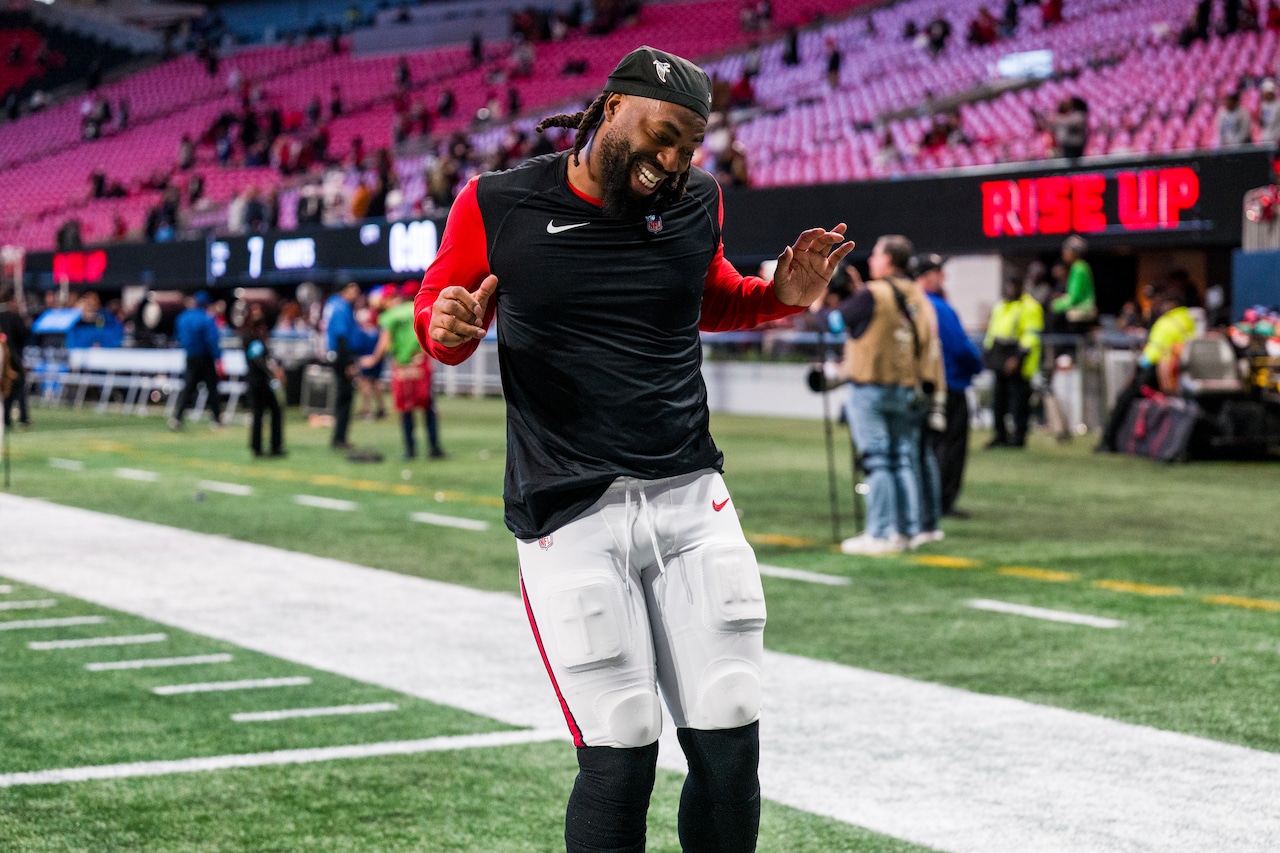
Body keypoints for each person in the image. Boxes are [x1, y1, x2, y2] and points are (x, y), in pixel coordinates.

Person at [412, 46, 853, 853]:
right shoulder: (498, 201)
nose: (676, 160)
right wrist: (442, 328)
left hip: (689, 496)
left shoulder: (697, 200)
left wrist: (779, 297)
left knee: (729, 736)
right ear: (613, 106)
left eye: (691, 144)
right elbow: (440, 309)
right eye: (664, 135)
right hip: (568, 507)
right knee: (621, 748)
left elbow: (706, 295)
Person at [832, 235, 942, 555]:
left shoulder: (874, 293)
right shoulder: (916, 293)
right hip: (906, 387)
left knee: (878, 461)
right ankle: (906, 531)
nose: (871, 260)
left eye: (877, 255)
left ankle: (878, 533)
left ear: (889, 259)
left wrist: (845, 294)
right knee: (901, 460)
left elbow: (839, 321)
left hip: (871, 387)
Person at [913, 254, 983, 519]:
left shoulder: (909, 304)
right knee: (949, 446)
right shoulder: (938, 307)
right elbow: (961, 348)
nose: (943, 279)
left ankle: (922, 499)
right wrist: (977, 365)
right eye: (939, 273)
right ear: (929, 275)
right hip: (949, 384)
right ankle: (941, 501)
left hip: (917, 385)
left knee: (925, 445)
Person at [1096, 290, 1195, 453]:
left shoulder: (1166, 323)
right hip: (1182, 374)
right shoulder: (1190, 322)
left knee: (1124, 399)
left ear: (1173, 305)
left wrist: (1136, 374)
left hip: (1159, 374)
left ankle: (1108, 441)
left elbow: (1151, 356)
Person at [362, 283, 444, 460]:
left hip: (402, 367)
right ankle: (434, 448)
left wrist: (373, 359)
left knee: (406, 409)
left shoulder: (389, 316)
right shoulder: (418, 310)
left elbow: (385, 342)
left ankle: (410, 450)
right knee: (428, 406)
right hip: (421, 363)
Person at [983, 276, 1043, 448]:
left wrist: (1018, 357)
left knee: (1018, 402)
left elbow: (1031, 335)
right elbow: (993, 331)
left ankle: (1018, 439)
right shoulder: (1002, 305)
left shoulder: (1030, 306)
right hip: (1000, 355)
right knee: (998, 401)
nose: (1011, 288)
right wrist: (988, 353)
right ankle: (1000, 436)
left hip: (1019, 359)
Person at [170, 291, 224, 430]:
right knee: (212, 388)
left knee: (188, 388)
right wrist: (218, 357)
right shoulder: (207, 318)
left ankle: (177, 418)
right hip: (205, 357)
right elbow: (211, 340)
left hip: (190, 356)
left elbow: (178, 337)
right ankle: (217, 420)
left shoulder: (182, 317)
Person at [241, 303, 285, 457]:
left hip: (264, 380)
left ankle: (275, 446)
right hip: (257, 381)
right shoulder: (249, 335)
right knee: (259, 414)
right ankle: (258, 448)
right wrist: (273, 372)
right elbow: (259, 360)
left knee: (274, 411)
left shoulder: (261, 334)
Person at [323, 281, 360, 449]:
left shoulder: (332, 304)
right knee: (345, 397)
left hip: (336, 355)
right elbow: (341, 336)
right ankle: (339, 438)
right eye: (353, 288)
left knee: (343, 397)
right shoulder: (341, 306)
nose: (356, 292)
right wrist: (349, 363)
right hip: (341, 356)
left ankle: (339, 437)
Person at [1050, 234, 1096, 334]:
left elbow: (1075, 298)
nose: (1064, 253)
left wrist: (1057, 304)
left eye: (1066, 249)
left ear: (1074, 252)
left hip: (1080, 316)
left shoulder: (1078, 268)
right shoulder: (1082, 266)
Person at [0, 287, 30, 430]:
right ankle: (23, 418)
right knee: (18, 388)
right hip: (12, 359)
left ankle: (5, 419)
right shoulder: (13, 316)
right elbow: (24, 336)